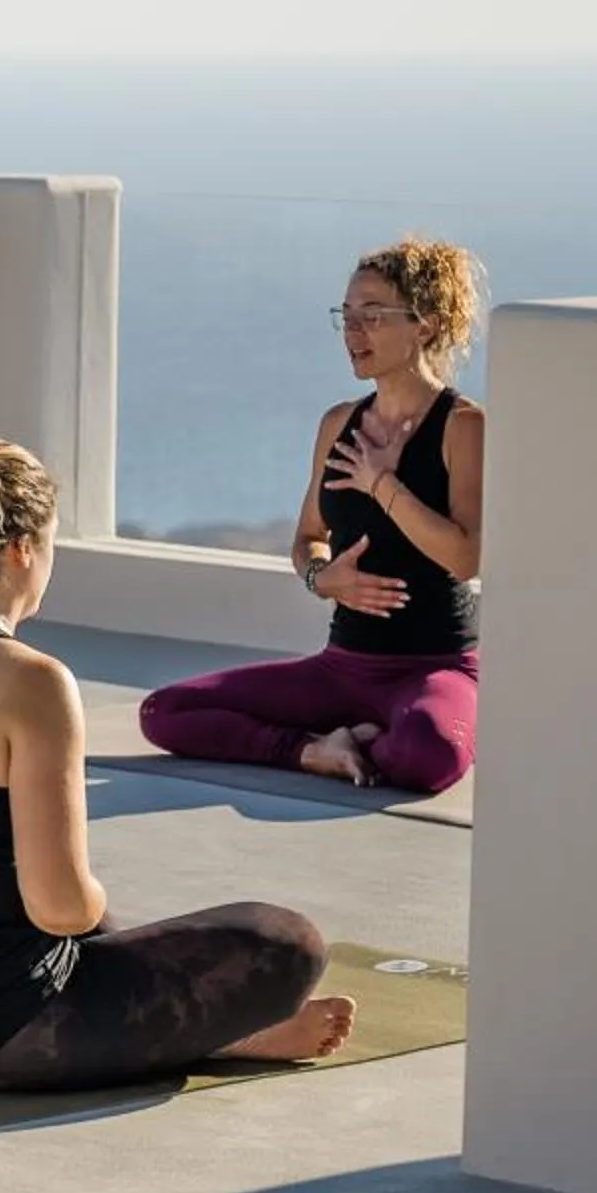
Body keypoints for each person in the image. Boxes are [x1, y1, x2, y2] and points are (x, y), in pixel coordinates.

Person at [0, 421, 357, 1090]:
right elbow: (61, 909)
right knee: (286, 940)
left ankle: (211, 1026)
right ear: (19, 552)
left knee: (106, 939)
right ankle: (227, 1031)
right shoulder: (31, 682)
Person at [137, 238, 488, 793]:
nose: (353, 333)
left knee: (431, 754)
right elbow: (308, 537)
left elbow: (466, 556)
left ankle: (378, 736)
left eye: (372, 317)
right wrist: (321, 578)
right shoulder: (338, 424)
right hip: (343, 666)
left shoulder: (463, 426)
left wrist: (381, 483)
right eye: (345, 317)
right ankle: (318, 752)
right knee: (165, 712)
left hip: (434, 666)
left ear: (424, 325)